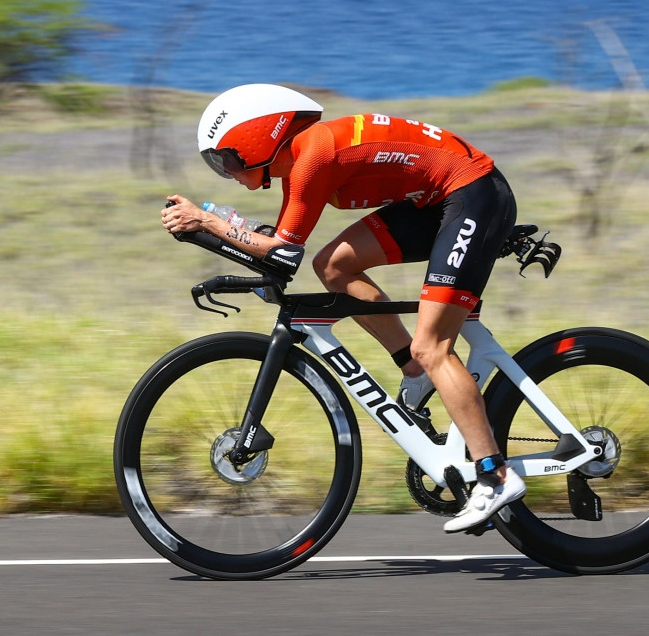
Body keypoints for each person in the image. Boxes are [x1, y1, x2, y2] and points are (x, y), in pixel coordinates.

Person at [161, 83, 523, 533]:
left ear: (258, 137)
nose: (225, 171)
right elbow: (280, 249)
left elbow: (278, 253)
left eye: (225, 159)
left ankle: (494, 476)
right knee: (334, 266)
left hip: (472, 195)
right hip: (438, 199)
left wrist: (209, 221)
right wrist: (215, 230)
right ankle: (413, 371)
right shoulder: (300, 165)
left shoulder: (314, 156)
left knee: (435, 347)